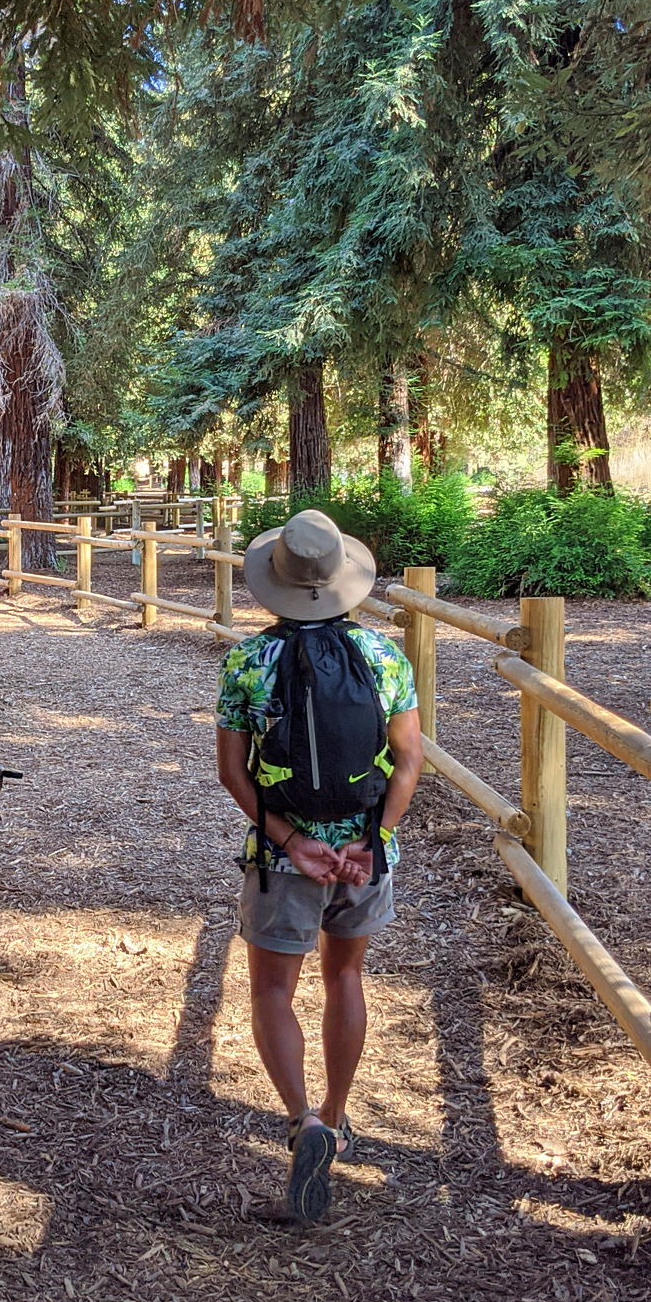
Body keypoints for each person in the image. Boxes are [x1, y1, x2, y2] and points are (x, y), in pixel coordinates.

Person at [215, 508, 423, 1224]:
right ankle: (336, 1115)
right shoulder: (386, 658)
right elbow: (409, 761)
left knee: (274, 990)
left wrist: (286, 839)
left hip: (283, 859)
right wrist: (373, 839)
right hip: (366, 851)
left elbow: (232, 772)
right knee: (346, 974)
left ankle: (301, 1117)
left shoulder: (247, 661)